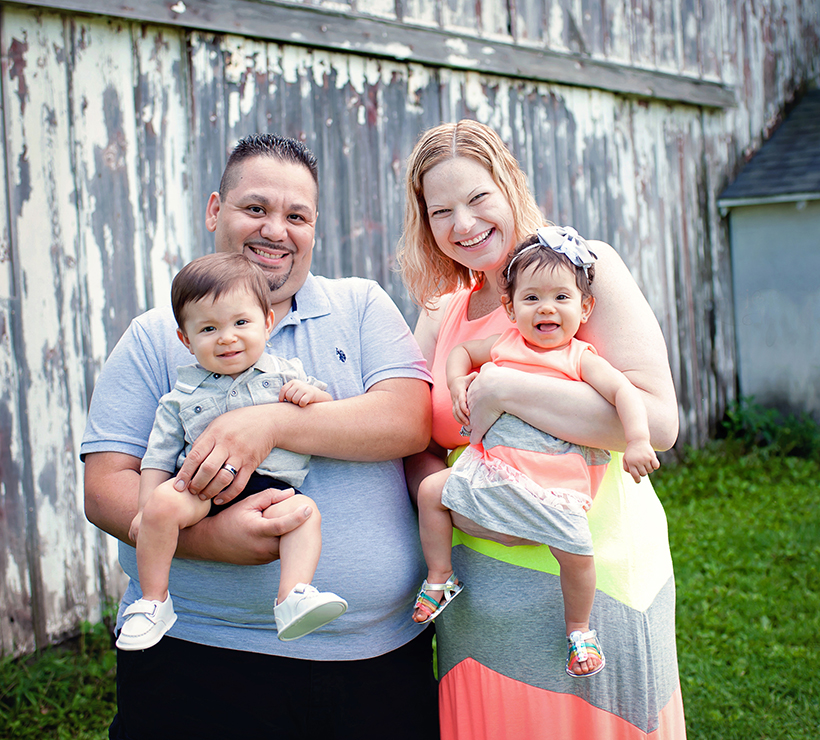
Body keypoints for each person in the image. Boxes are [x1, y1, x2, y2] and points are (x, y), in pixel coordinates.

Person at [82, 133, 436, 739]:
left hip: (374, 661)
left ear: (314, 228)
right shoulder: (154, 337)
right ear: (216, 210)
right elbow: (104, 488)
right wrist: (216, 539)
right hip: (199, 655)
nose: (276, 229)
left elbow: (408, 420)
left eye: (296, 215)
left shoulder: (359, 306)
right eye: (256, 208)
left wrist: (269, 422)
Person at [397, 119, 687, 738]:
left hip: (587, 578)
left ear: (509, 185)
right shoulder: (442, 312)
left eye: (478, 198)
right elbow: (415, 438)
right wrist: (452, 502)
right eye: (441, 210)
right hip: (478, 589)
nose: (464, 224)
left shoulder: (582, 269)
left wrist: (508, 390)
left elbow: (658, 422)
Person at [412, 229, 661, 680]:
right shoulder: (506, 343)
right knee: (431, 491)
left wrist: (639, 440)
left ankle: (579, 630)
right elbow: (463, 352)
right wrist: (455, 382)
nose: (546, 307)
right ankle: (439, 576)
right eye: (531, 298)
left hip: (554, 488)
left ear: (584, 308)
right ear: (511, 309)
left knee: (577, 556)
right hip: (493, 473)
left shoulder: (579, 357)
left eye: (561, 297)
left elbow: (625, 392)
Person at [118, 252, 346, 652]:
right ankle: (153, 602)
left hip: (271, 489)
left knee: (304, 516)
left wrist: (311, 395)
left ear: (267, 323)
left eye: (241, 322)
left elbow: (327, 416)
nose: (227, 337)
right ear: (185, 340)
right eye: (209, 328)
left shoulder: (284, 374)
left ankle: (293, 596)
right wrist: (144, 510)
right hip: (199, 490)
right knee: (161, 506)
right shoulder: (180, 397)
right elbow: (156, 458)